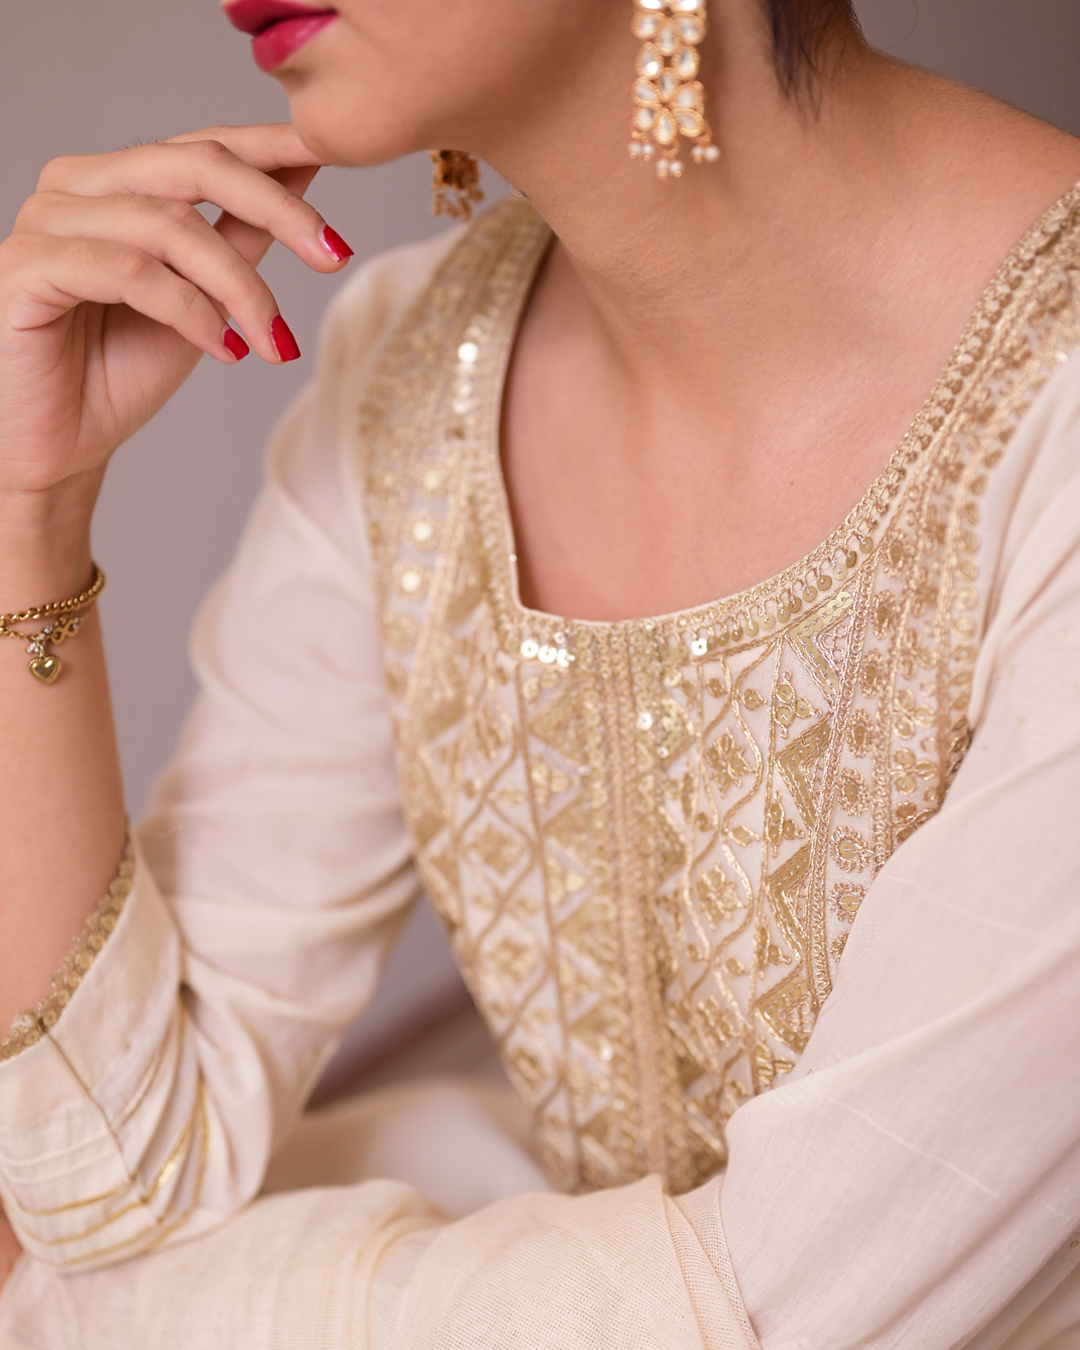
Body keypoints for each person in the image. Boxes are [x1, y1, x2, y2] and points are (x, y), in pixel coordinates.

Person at [0, 0, 1079, 1343]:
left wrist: (68, 1309)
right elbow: (106, 1177)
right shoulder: (415, 377)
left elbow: (780, 1309)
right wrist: (28, 515)